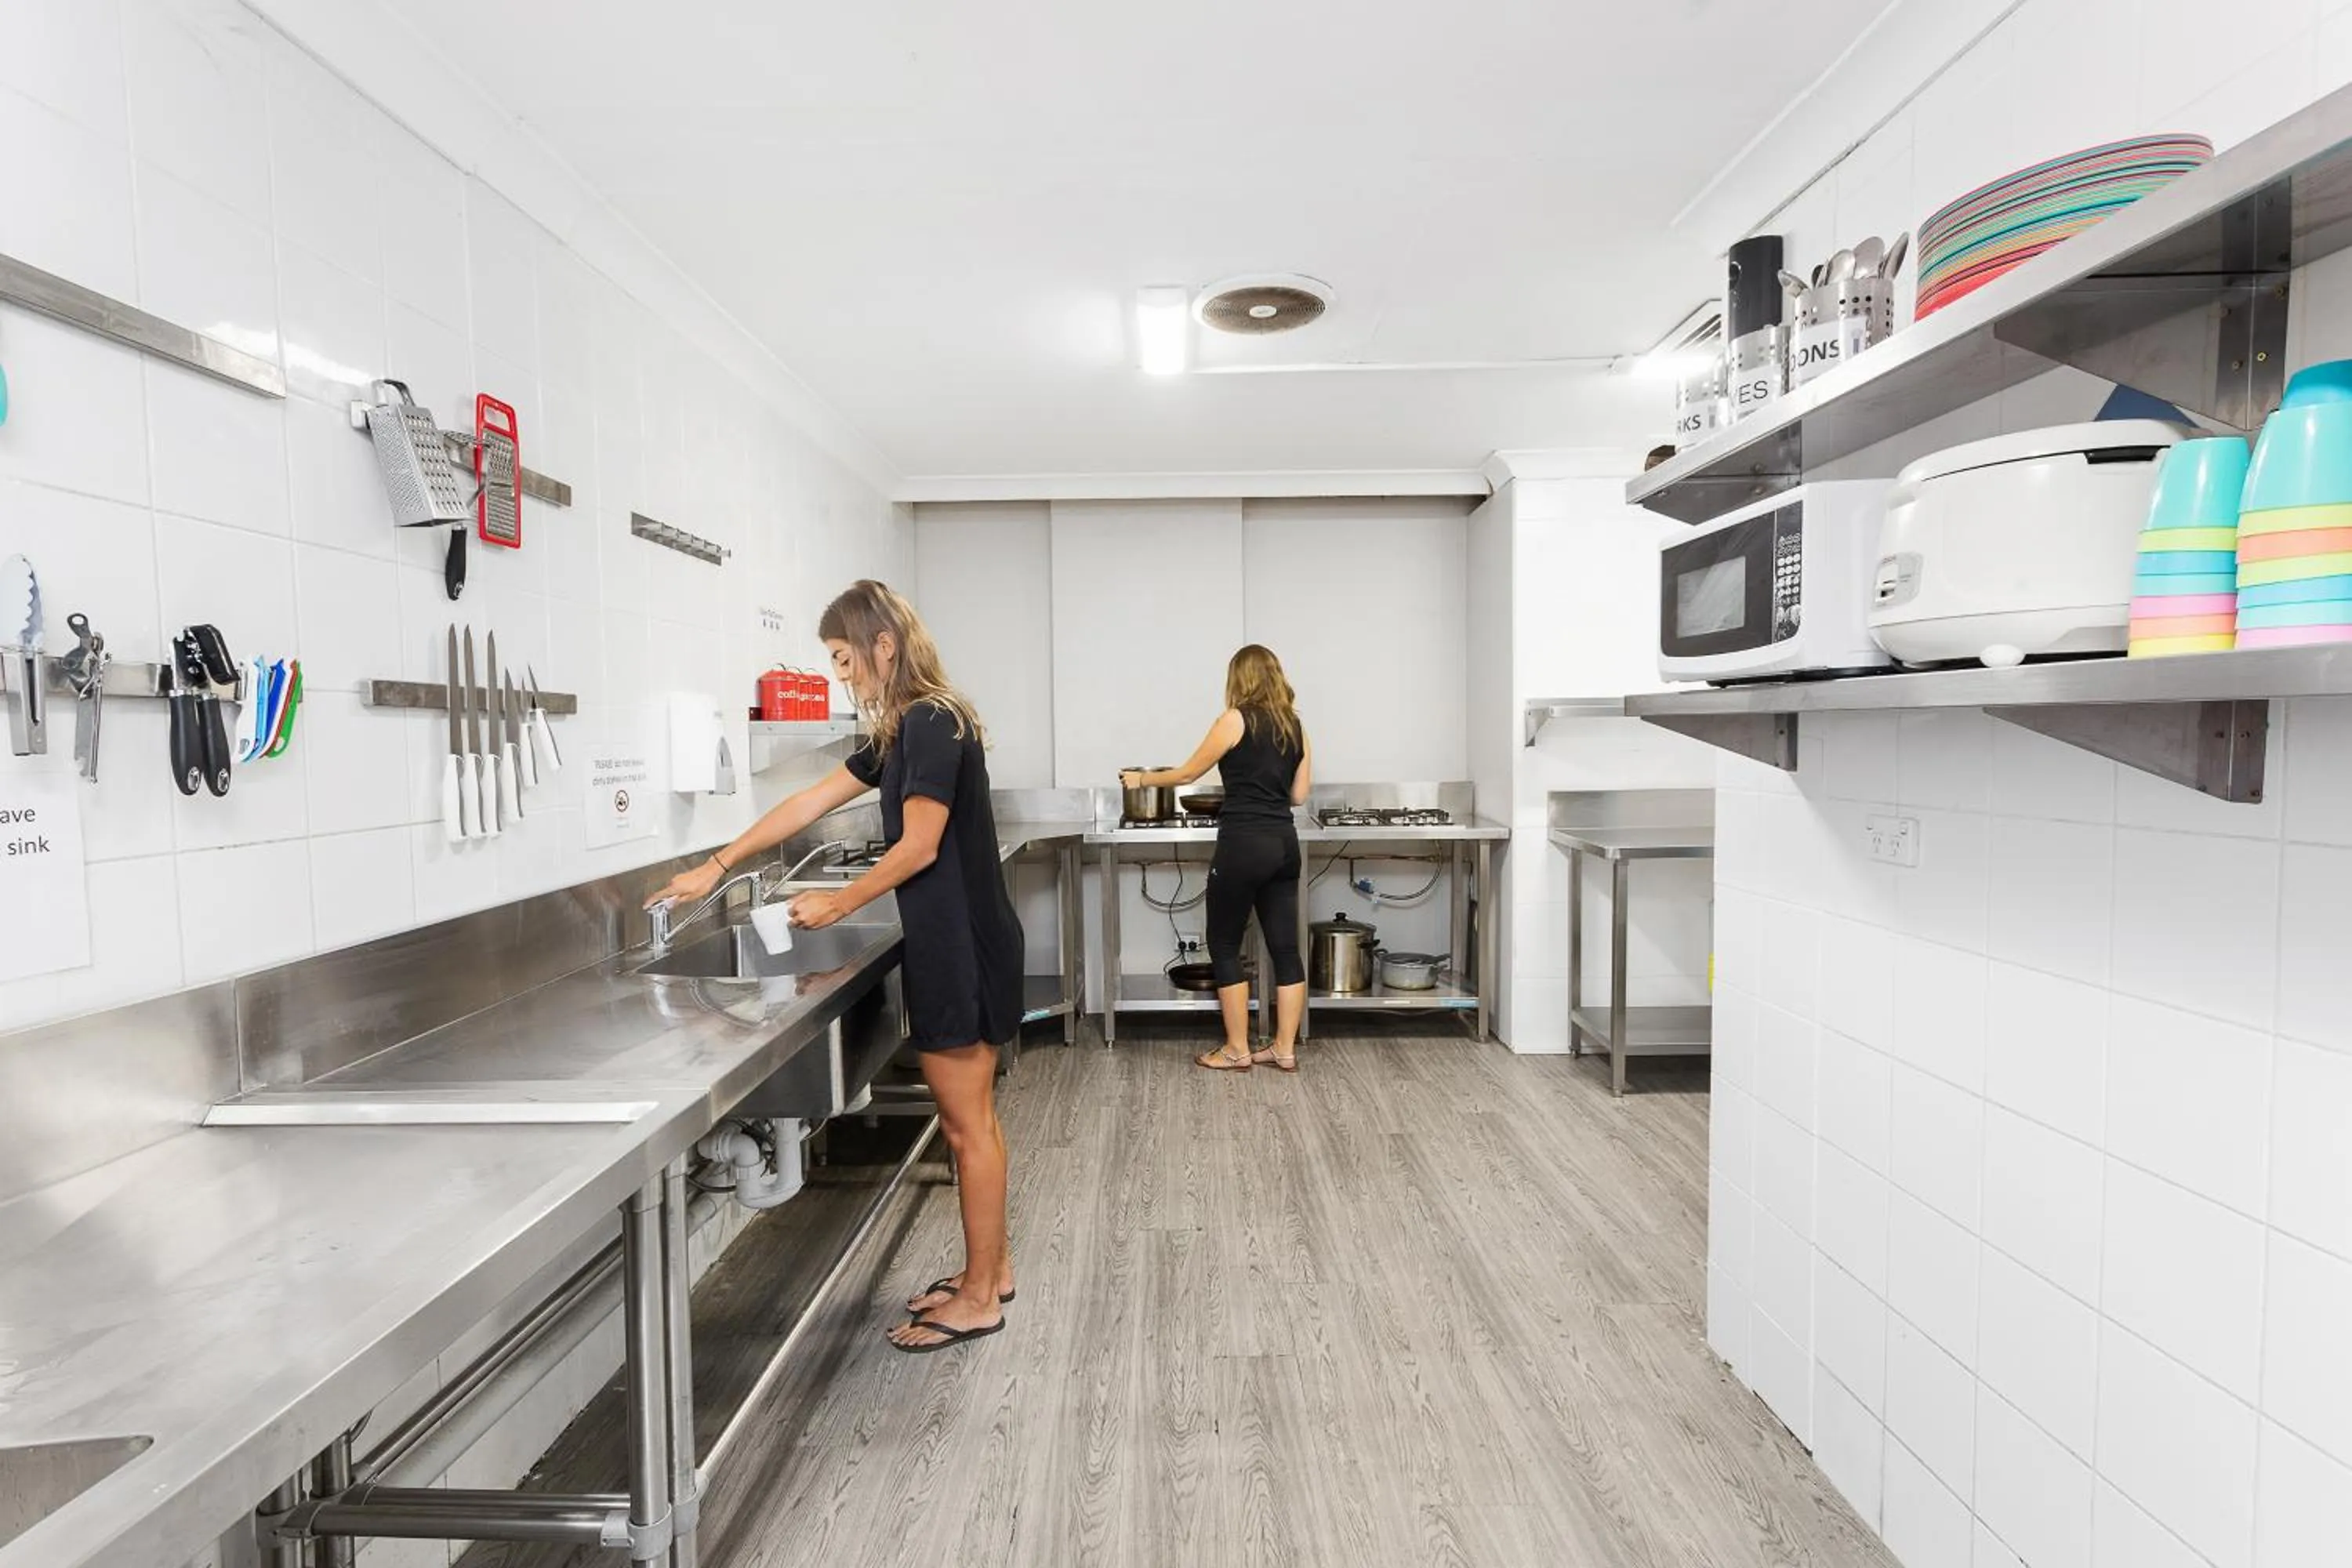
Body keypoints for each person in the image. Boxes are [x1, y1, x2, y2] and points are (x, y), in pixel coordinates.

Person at [646, 581, 1022, 1353]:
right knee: (972, 1120)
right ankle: (993, 1269)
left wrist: (840, 903)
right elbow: (809, 802)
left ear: (885, 646)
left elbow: (919, 845)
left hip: (962, 946)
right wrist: (715, 865)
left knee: (965, 1122)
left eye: (846, 658)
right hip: (963, 938)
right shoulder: (909, 726)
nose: (844, 674)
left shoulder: (929, 721)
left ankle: (981, 1295)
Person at [1122, 645, 1313, 1073]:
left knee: (1225, 943)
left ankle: (1236, 1049)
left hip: (1243, 843)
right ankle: (1284, 1049)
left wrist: (1141, 779)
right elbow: (1299, 795)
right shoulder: (1296, 725)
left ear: (1239, 679)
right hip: (1284, 843)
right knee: (1286, 949)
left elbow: (1189, 774)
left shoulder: (1235, 719)